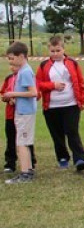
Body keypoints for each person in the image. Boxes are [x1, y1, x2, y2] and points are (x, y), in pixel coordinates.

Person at [36, 35, 84, 171]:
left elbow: (80, 82)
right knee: (57, 134)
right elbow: (38, 84)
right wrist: (52, 85)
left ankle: (79, 159)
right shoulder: (44, 65)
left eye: (58, 50)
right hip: (51, 106)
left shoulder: (72, 63)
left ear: (63, 49)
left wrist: (82, 100)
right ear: (49, 51)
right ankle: (62, 158)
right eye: (52, 51)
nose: (55, 53)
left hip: (71, 104)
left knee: (72, 132)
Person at [3, 42, 37, 184]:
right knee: (25, 142)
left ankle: (24, 173)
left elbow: (33, 92)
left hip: (25, 113)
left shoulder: (25, 72)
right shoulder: (22, 71)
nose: (11, 61)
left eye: (12, 58)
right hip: (22, 111)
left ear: (21, 56)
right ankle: (28, 170)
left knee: (21, 143)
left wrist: (13, 93)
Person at [3, 72, 35, 175]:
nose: (12, 66)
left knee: (25, 140)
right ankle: (10, 163)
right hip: (10, 115)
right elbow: (3, 93)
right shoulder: (9, 78)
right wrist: (8, 98)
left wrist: (17, 98)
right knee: (11, 139)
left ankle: (30, 164)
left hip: (24, 113)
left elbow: (35, 94)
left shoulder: (27, 76)